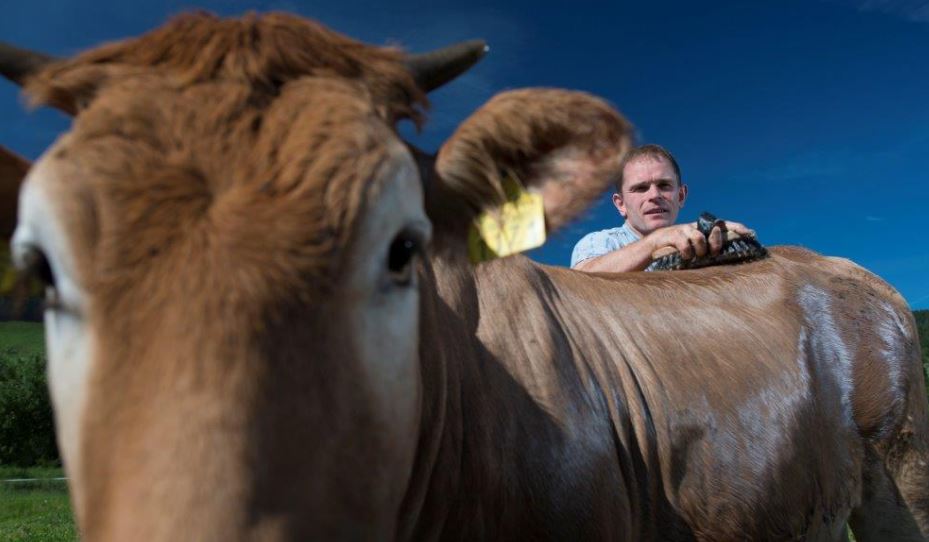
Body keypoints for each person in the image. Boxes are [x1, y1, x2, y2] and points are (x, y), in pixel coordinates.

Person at [571, 144, 752, 272]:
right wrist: (656, 241)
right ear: (621, 204)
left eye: (664, 185)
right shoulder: (600, 243)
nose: (654, 195)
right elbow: (580, 282)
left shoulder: (700, 243)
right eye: (640, 188)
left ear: (680, 196)